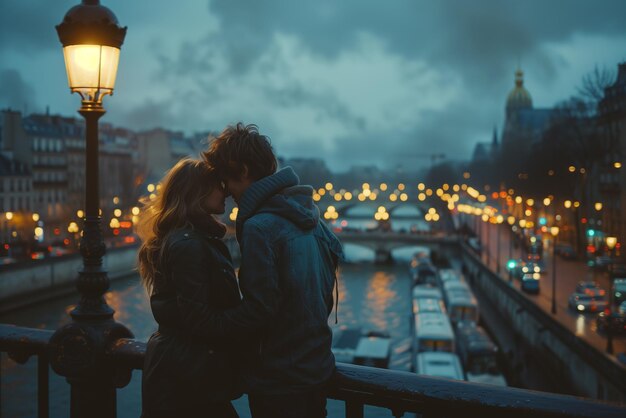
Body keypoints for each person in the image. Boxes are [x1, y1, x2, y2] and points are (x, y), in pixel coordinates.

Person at [199, 123, 344, 418]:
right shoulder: (314, 220)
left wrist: (211, 324)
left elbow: (258, 309)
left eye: (226, 180)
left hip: (278, 380)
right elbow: (324, 295)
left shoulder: (259, 227)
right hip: (316, 369)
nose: (226, 192)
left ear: (241, 170)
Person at [137, 158, 241, 418]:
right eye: (218, 185)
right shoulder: (188, 245)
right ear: (197, 191)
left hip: (181, 373)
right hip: (188, 381)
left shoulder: (187, 238)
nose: (226, 190)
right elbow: (200, 319)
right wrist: (251, 317)